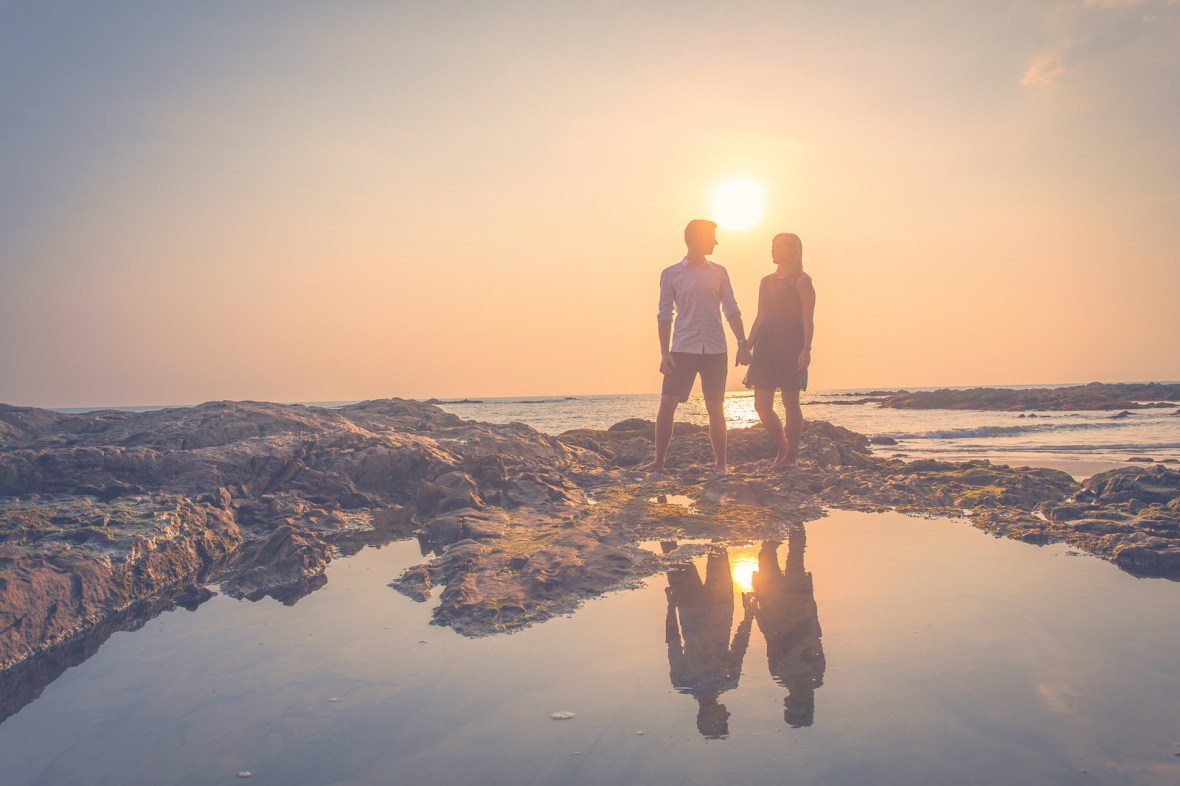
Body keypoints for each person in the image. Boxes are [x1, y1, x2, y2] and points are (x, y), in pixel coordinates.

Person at [654, 219, 749, 475]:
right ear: (695, 238)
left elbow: (731, 307)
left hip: (715, 349)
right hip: (682, 348)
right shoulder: (671, 274)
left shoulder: (719, 272)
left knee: (715, 406)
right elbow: (664, 315)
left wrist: (742, 341)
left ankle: (721, 465)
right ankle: (658, 463)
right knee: (668, 402)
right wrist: (664, 353)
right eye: (712, 237)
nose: (716, 242)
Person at [744, 233, 815, 469]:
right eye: (772, 246)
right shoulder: (766, 281)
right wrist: (747, 346)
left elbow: (808, 318)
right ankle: (783, 447)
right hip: (766, 348)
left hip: (791, 346)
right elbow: (761, 316)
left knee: (790, 403)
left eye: (779, 246)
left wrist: (806, 348)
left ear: (793, 250)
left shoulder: (801, 281)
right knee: (761, 405)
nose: (773, 250)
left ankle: (791, 457)